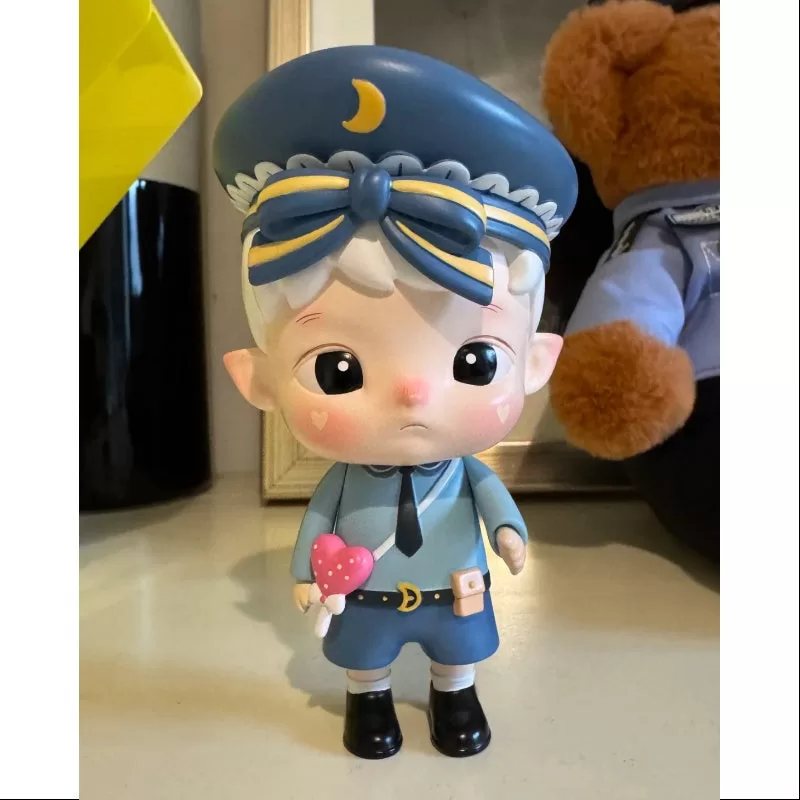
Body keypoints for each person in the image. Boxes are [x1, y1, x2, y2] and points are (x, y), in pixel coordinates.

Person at [215, 45, 577, 759]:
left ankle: (455, 694)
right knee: (364, 655)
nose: (414, 391)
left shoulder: (465, 475)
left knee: (458, 651)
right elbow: (318, 523)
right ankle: (370, 700)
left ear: (536, 363)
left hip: (454, 589)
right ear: (258, 379)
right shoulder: (344, 482)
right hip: (365, 598)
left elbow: (494, 505)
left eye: (475, 362)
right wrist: (305, 574)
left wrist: (508, 535)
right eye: (338, 369)